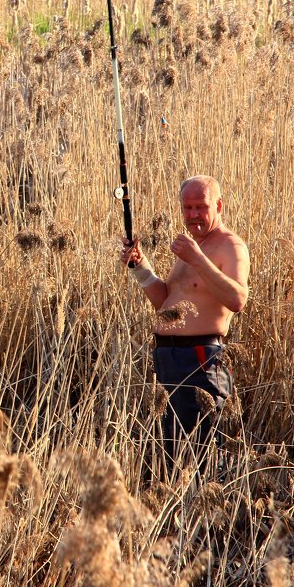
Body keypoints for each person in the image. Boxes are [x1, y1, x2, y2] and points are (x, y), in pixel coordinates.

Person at [120, 175, 250, 460]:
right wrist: (139, 266)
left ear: (218, 205)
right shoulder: (192, 247)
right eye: (187, 208)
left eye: (201, 207)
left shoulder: (230, 246)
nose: (193, 215)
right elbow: (166, 302)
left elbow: (237, 300)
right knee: (173, 450)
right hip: (169, 360)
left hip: (202, 360)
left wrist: (198, 259)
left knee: (203, 450)